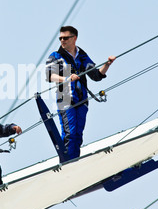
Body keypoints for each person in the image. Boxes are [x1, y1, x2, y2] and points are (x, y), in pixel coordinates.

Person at [46, 26, 115, 161]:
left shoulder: (82, 55)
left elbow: (96, 75)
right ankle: (67, 163)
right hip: (65, 99)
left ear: (74, 38)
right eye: (60, 38)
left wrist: (107, 64)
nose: (62, 40)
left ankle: (74, 161)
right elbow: (49, 76)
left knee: (78, 135)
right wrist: (66, 79)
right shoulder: (55, 56)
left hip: (82, 99)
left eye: (65, 38)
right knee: (69, 134)